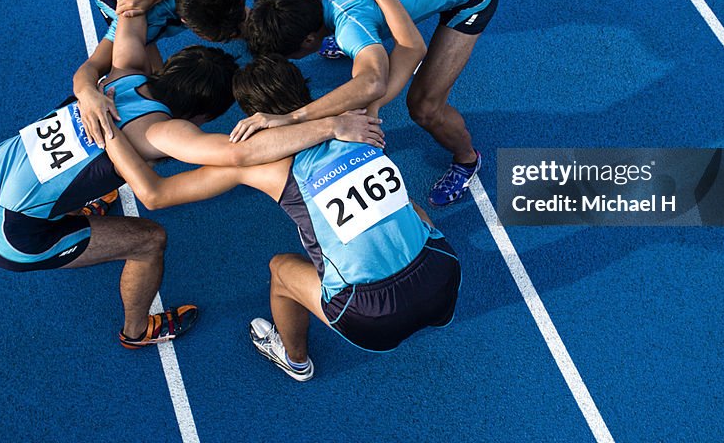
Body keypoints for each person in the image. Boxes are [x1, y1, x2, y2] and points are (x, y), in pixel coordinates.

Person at [0, 2, 384, 349]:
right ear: (202, 115)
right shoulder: (163, 131)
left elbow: (130, 10)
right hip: (10, 237)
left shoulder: (124, 72)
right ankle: (137, 330)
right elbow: (242, 153)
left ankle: (74, 205)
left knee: (100, 171)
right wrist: (331, 126)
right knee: (149, 241)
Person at [104, 54, 461, 380]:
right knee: (410, 206)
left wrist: (107, 130)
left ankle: (295, 361)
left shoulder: (259, 166)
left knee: (280, 268)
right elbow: (407, 50)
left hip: (371, 318)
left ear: (253, 119)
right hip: (444, 279)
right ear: (304, 87)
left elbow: (156, 193)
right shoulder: (359, 119)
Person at [117, 0, 498, 206]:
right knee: (368, 54)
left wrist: (293, 118)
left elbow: (373, 80)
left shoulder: (353, 21)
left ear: (308, 42)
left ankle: (467, 160)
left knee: (424, 107)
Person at [73, 0, 246, 147]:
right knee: (139, 58)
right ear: (186, 23)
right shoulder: (135, 13)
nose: (229, 39)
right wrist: (87, 92)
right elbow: (91, 67)